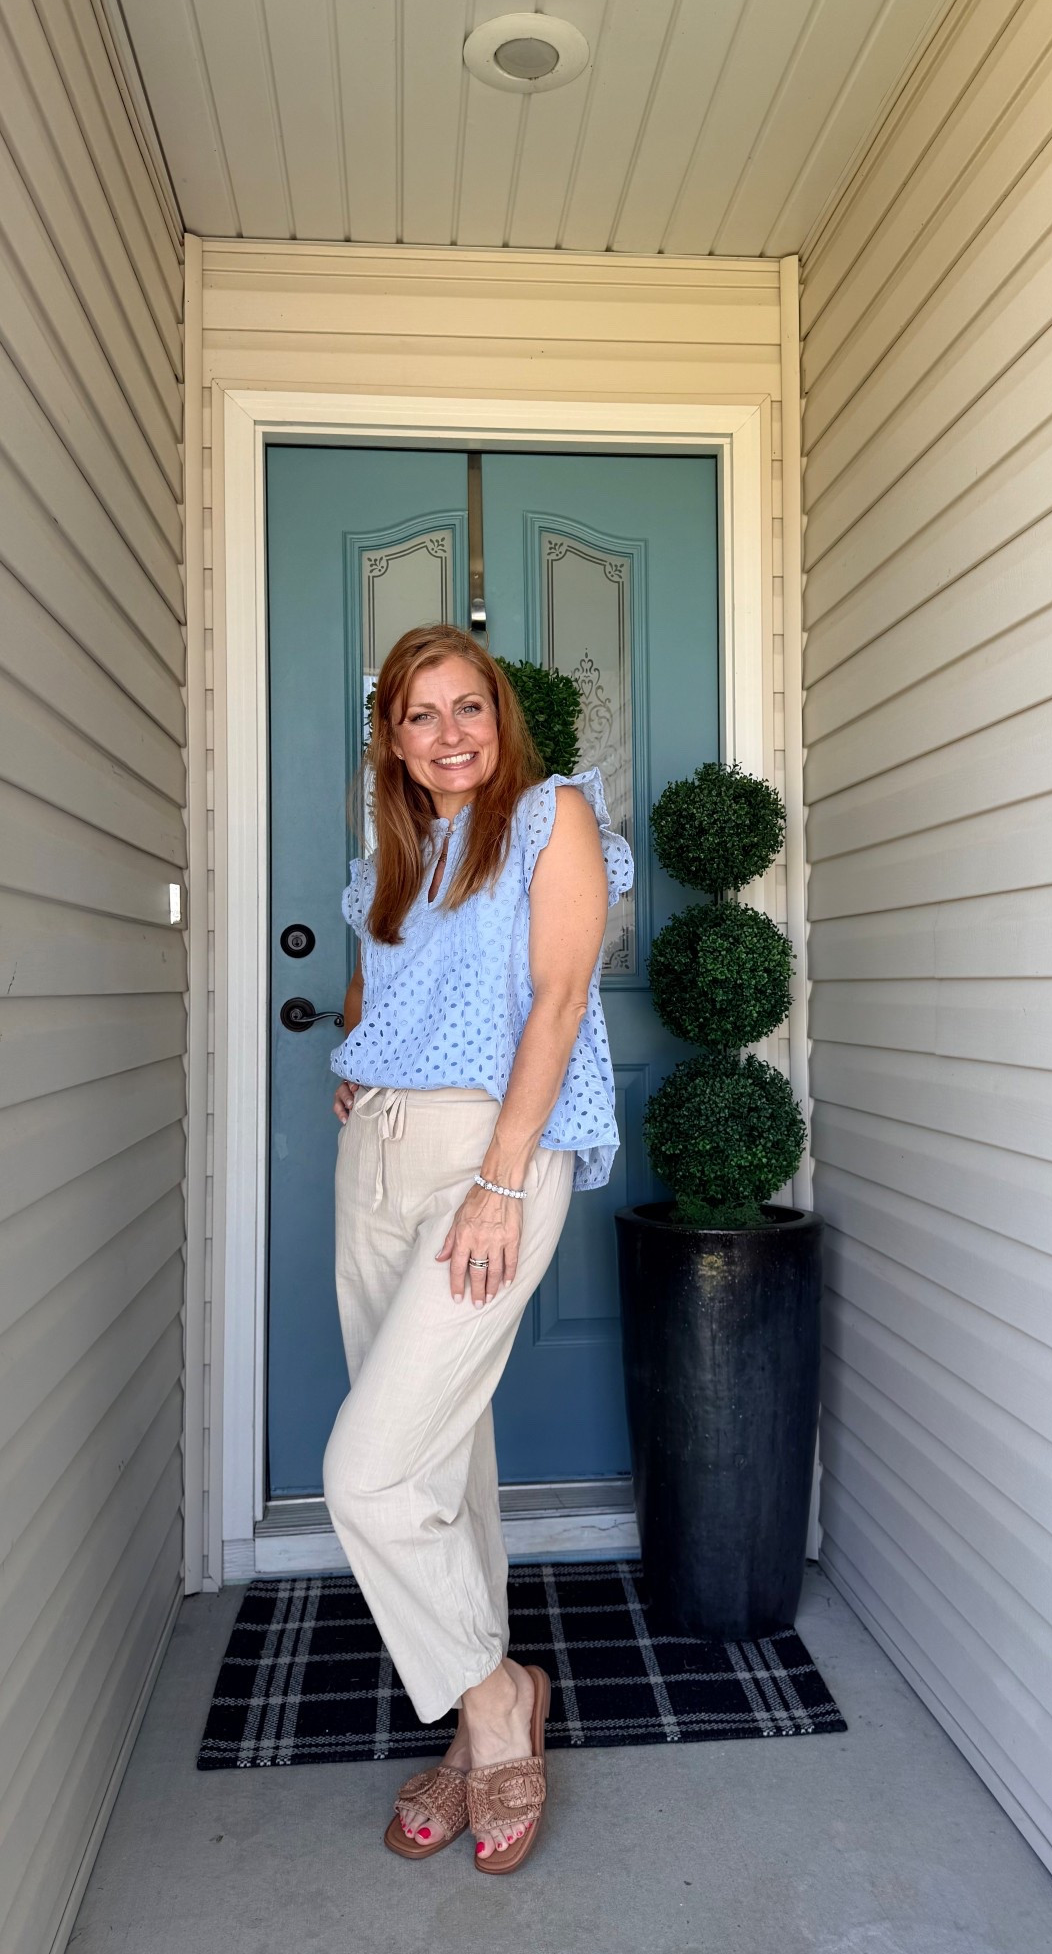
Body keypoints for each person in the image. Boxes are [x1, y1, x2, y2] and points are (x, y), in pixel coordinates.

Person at [322, 621, 634, 1875]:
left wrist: (501, 1179)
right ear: (391, 740)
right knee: (434, 1456)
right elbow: (378, 986)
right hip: (378, 1152)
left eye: (469, 706)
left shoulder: (551, 817)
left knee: (366, 1473)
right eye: (420, 714)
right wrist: (361, 1061)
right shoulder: (393, 858)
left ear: (500, 717)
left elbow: (558, 997)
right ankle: (475, 1713)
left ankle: (500, 1700)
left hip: (492, 1153)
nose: (450, 733)